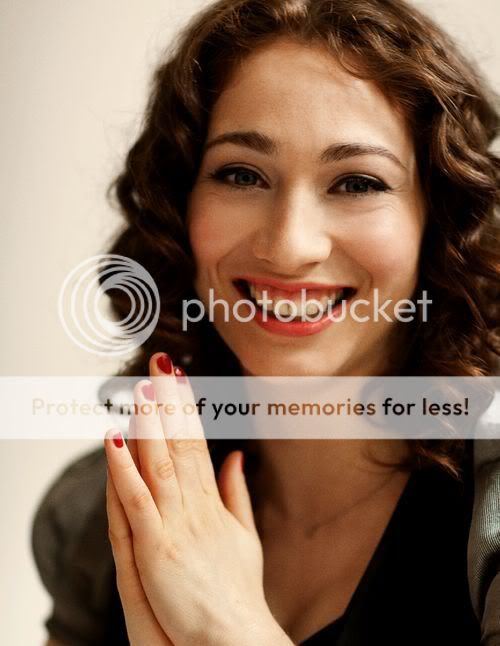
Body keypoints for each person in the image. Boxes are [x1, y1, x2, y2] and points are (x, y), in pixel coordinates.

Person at [32, 0, 500, 644]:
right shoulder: (100, 513)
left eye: (357, 183)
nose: (288, 246)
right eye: (241, 174)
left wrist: (228, 628)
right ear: (178, 206)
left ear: (437, 221)